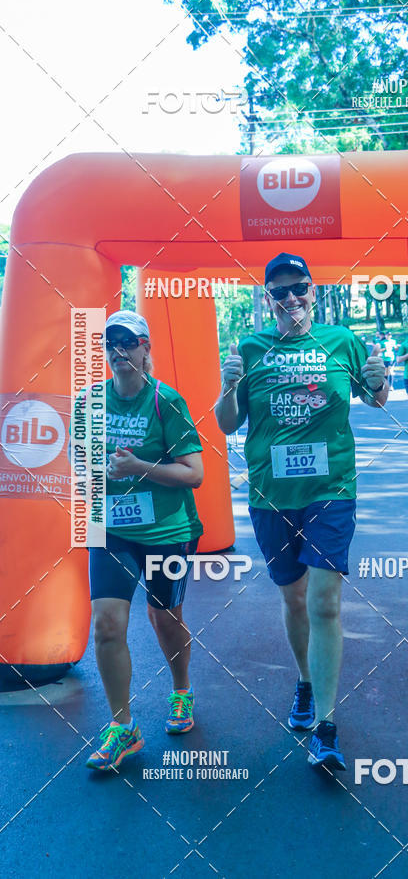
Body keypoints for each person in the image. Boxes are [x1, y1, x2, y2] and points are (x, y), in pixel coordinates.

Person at [215, 252, 387, 771]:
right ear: (268, 298)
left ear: (313, 291)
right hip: (271, 495)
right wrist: (227, 386)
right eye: (281, 291)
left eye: (300, 288)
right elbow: (225, 425)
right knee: (293, 600)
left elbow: (378, 399)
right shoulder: (249, 349)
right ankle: (306, 682)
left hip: (331, 489)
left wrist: (379, 379)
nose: (291, 298)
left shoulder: (342, 341)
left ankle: (327, 726)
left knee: (325, 602)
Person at [72, 311, 204, 771]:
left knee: (165, 618)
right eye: (111, 343)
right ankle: (122, 726)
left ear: (147, 349)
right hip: (111, 531)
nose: (118, 351)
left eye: (129, 342)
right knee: (107, 625)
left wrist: (138, 468)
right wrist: (94, 473)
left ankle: (182, 690)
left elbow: (195, 474)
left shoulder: (166, 402)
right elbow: (80, 466)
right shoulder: (88, 401)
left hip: (167, 532)